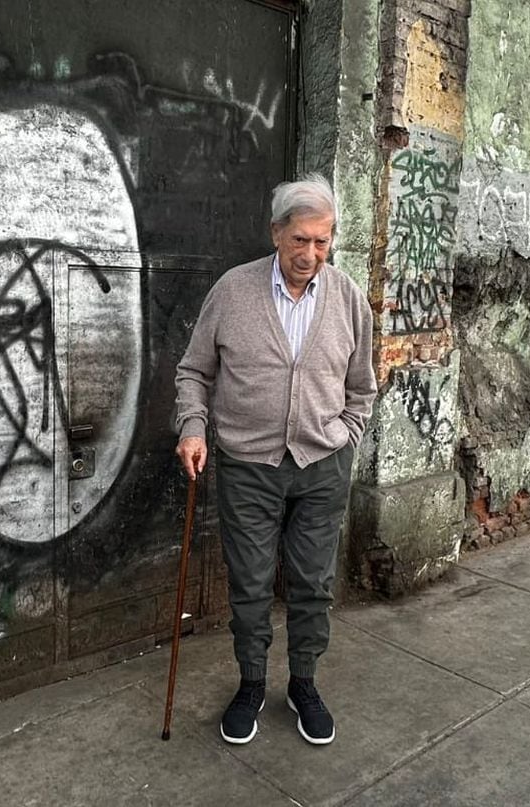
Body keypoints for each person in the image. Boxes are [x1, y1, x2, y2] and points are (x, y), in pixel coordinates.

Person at [174, 174, 376, 746]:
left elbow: (363, 385)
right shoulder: (233, 291)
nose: (311, 254)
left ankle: (305, 682)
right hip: (248, 464)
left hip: (322, 464)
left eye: (323, 240)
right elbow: (194, 371)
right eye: (300, 241)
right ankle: (252, 682)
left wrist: (346, 433)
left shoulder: (348, 298)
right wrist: (193, 427)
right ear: (276, 234)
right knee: (251, 583)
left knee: (313, 583)